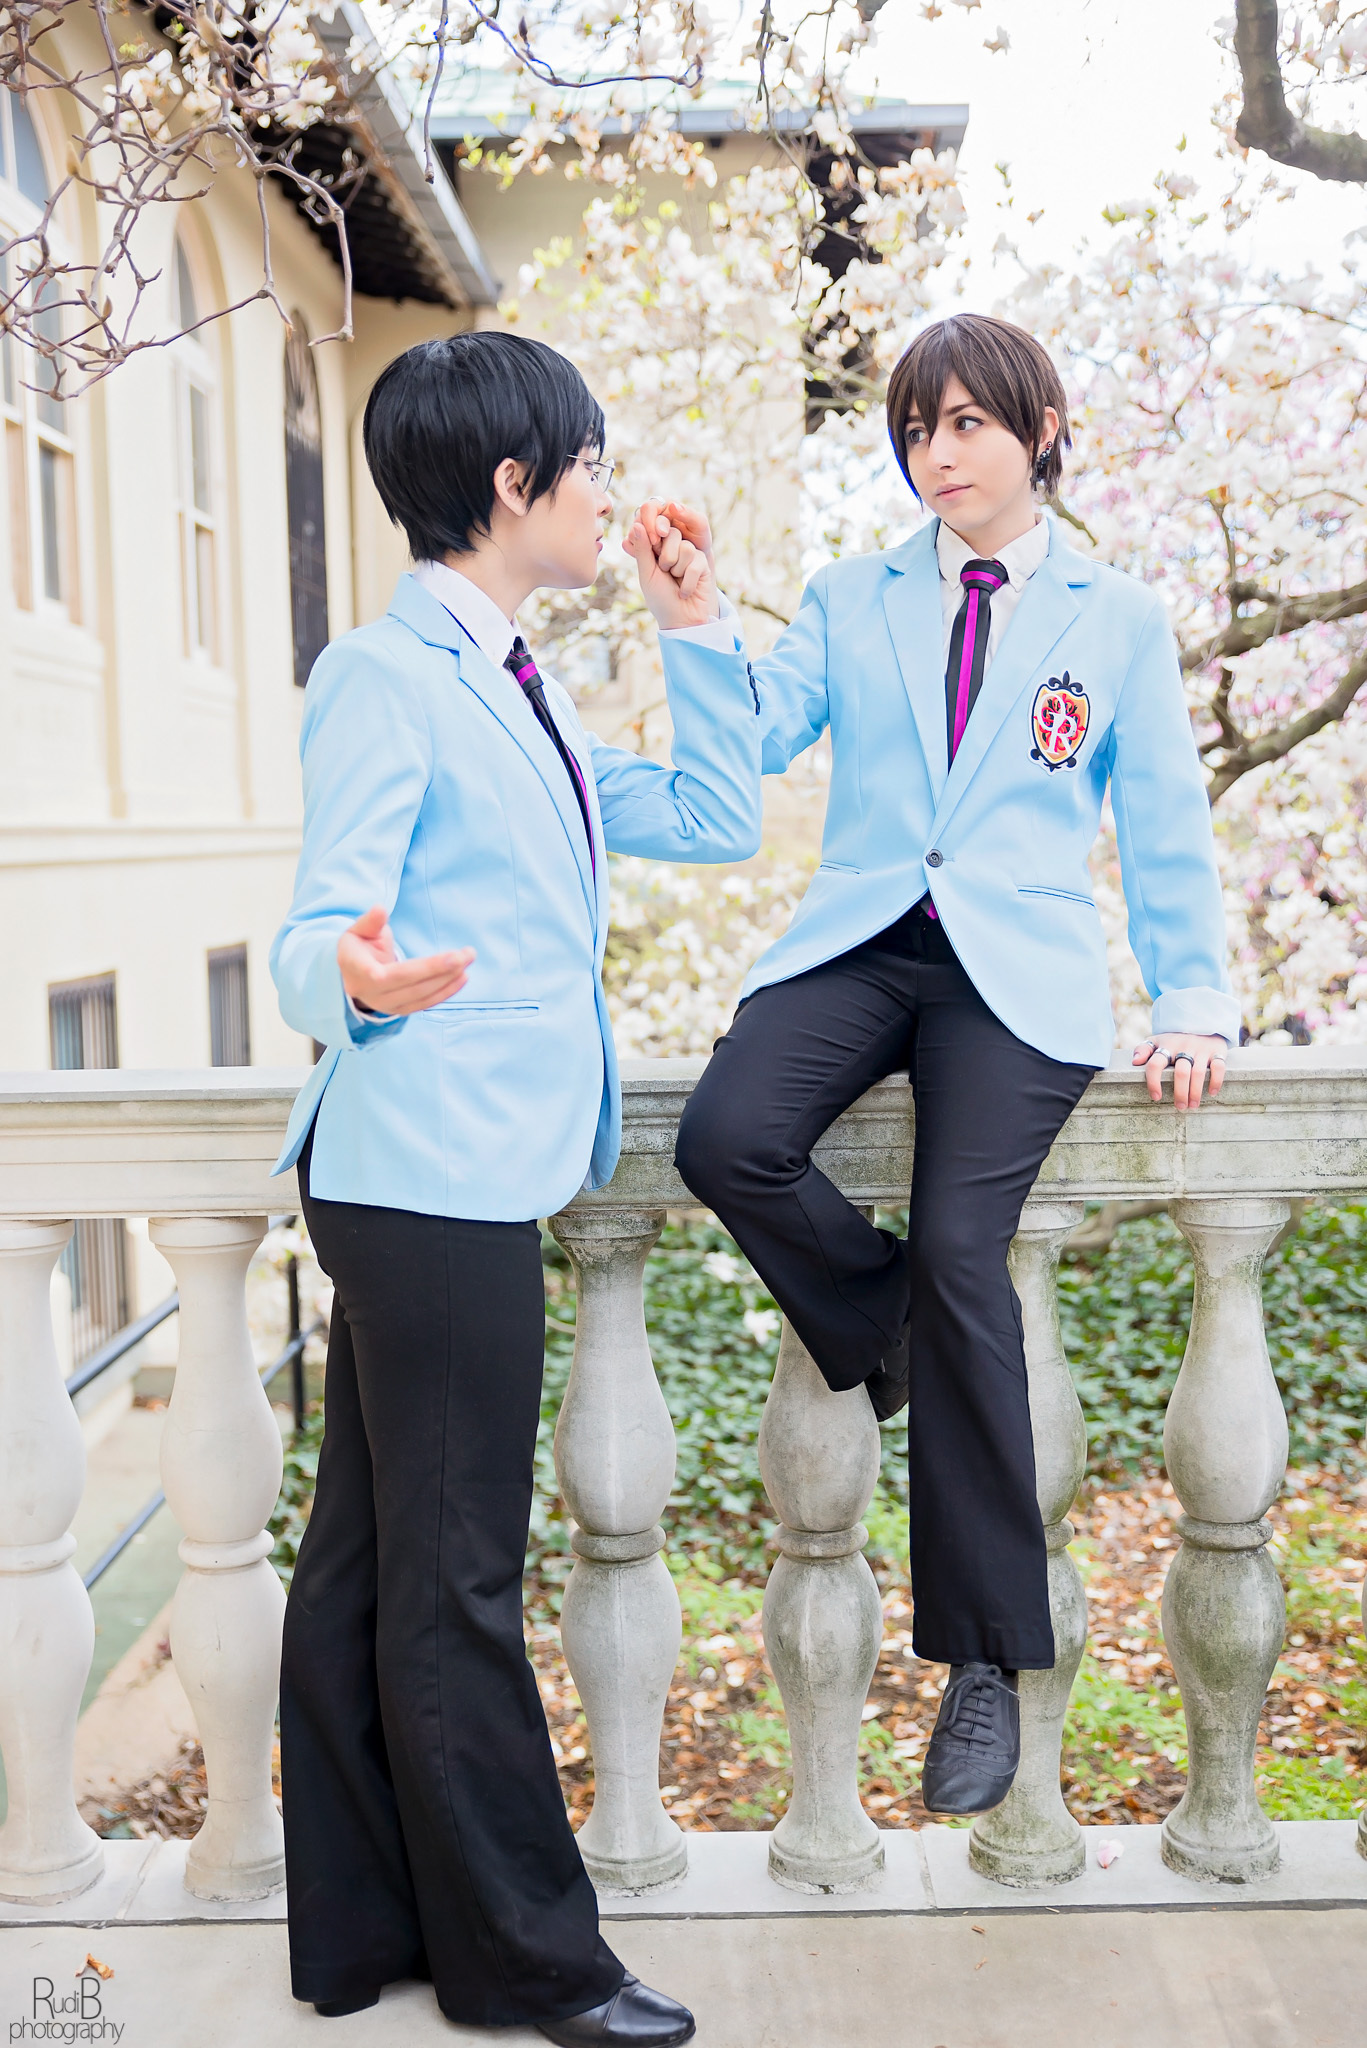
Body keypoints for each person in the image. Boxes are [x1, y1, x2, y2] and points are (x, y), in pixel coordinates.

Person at [672, 311, 1238, 1819]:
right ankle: (889, 1322)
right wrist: (696, 619)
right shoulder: (849, 597)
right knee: (724, 1136)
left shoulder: (1116, 618)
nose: (939, 453)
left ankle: (985, 1661)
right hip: (865, 936)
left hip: (1020, 965)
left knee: (966, 1246)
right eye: (919, 428)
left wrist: (1192, 999)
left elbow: (1162, 821)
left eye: (970, 423)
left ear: (1039, 430)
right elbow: (758, 739)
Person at [268, 330, 761, 2044]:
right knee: (456, 1578)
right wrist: (353, 977)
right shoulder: (386, 677)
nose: (609, 493)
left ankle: (360, 1934)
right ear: (510, 480)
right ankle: (531, 1967)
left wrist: (695, 621)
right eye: (592, 463)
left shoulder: (519, 684)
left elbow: (715, 812)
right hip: (426, 1173)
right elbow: (312, 926)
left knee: (371, 1563)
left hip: (455, 1166)